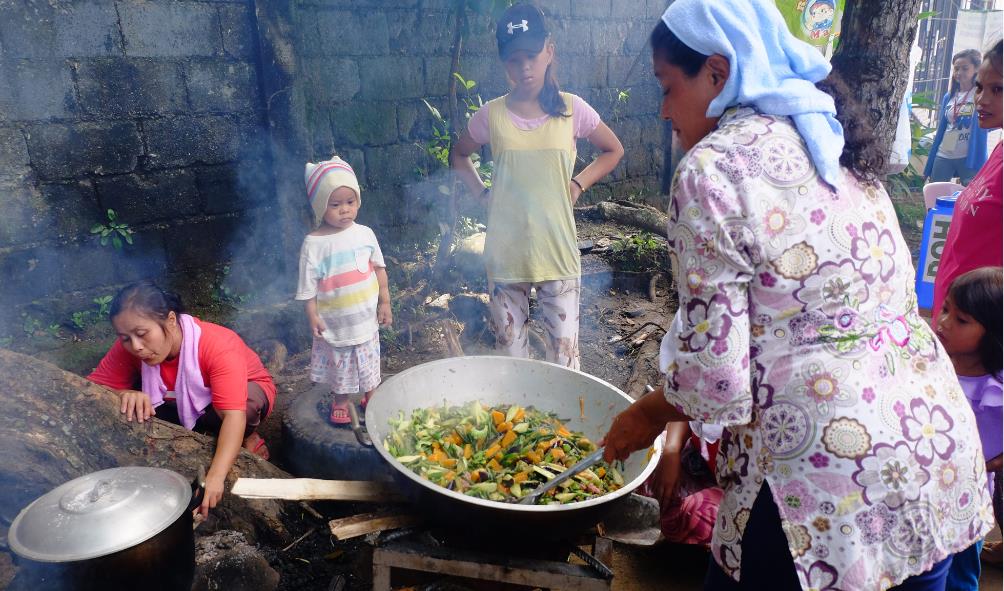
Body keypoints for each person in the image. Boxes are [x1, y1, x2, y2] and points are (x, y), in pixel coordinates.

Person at [600, 1, 994, 589]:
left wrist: (646, 416)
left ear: (716, 72)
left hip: (821, 488)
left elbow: (716, 382)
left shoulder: (712, 170)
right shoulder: (827, 137)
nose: (663, 112)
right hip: (930, 454)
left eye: (666, 86)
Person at [449, 3, 623, 370]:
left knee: (563, 363)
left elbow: (613, 150)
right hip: (505, 256)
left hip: (556, 253)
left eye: (531, 56)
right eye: (514, 60)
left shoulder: (573, 110)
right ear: (504, 64)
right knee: (512, 363)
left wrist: (577, 184)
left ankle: (562, 429)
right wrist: (483, 194)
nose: (524, 67)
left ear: (549, 52)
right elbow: (459, 155)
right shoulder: (491, 115)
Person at [88, 281, 277, 518]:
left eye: (142, 334)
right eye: (125, 338)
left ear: (170, 320)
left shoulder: (217, 345)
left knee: (244, 410)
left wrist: (216, 478)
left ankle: (246, 438)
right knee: (133, 404)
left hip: (241, 399)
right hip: (180, 400)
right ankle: (212, 435)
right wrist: (123, 393)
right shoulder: (129, 347)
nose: (135, 347)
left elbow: (233, 415)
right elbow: (91, 388)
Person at [296, 156, 391, 425]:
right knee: (341, 365)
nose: (344, 210)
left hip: (365, 318)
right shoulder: (314, 244)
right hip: (335, 323)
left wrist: (385, 302)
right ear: (320, 207)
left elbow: (379, 269)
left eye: (350, 202)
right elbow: (308, 288)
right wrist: (312, 316)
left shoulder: (365, 234)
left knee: (369, 362)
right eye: (335, 205)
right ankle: (341, 400)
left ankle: (371, 395)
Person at [938, 267, 1003, 587]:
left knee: (960, 576)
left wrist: (991, 464)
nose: (943, 322)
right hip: (923, 492)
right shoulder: (928, 363)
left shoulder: (997, 387)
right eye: (946, 308)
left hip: (969, 499)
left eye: (961, 320)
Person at [931, 40, 1003, 325]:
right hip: (954, 318)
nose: (982, 100)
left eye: (998, 89)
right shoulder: (999, 149)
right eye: (980, 87)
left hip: (980, 333)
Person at [924, 49, 989, 184]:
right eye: (956, 69)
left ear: (976, 69)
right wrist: (928, 167)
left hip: (969, 156)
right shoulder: (949, 96)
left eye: (965, 68)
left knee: (970, 196)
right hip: (945, 152)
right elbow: (942, 130)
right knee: (936, 192)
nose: (959, 73)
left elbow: (992, 120)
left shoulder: (981, 94)